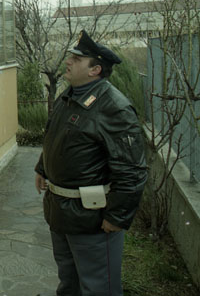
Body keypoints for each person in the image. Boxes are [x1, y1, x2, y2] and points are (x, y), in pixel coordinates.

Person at [34, 30, 147, 296]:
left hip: (91, 219)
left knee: (98, 288)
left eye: (77, 59)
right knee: (69, 282)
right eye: (71, 57)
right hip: (62, 212)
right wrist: (42, 167)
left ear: (95, 70)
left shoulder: (114, 108)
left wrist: (117, 217)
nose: (68, 61)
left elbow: (132, 170)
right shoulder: (70, 95)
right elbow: (57, 136)